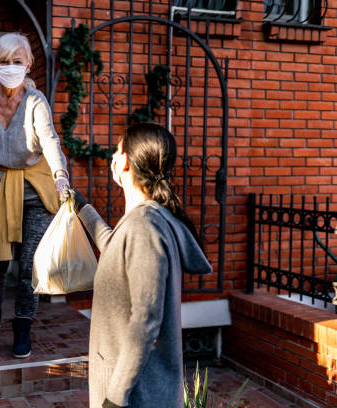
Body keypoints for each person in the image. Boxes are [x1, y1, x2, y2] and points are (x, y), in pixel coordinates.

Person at [62, 123, 212, 408]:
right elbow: (114, 247)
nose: (113, 158)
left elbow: (146, 320)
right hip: (137, 390)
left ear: (127, 161)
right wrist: (82, 207)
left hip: (137, 396)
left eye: (117, 150)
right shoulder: (142, 221)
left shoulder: (145, 226)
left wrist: (115, 399)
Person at [0, 32, 70, 358]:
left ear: (28, 64)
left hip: (36, 192)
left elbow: (50, 140)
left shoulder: (35, 101)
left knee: (28, 266)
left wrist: (60, 175)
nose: (11, 67)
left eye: (17, 61)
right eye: (4, 62)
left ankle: (23, 325)